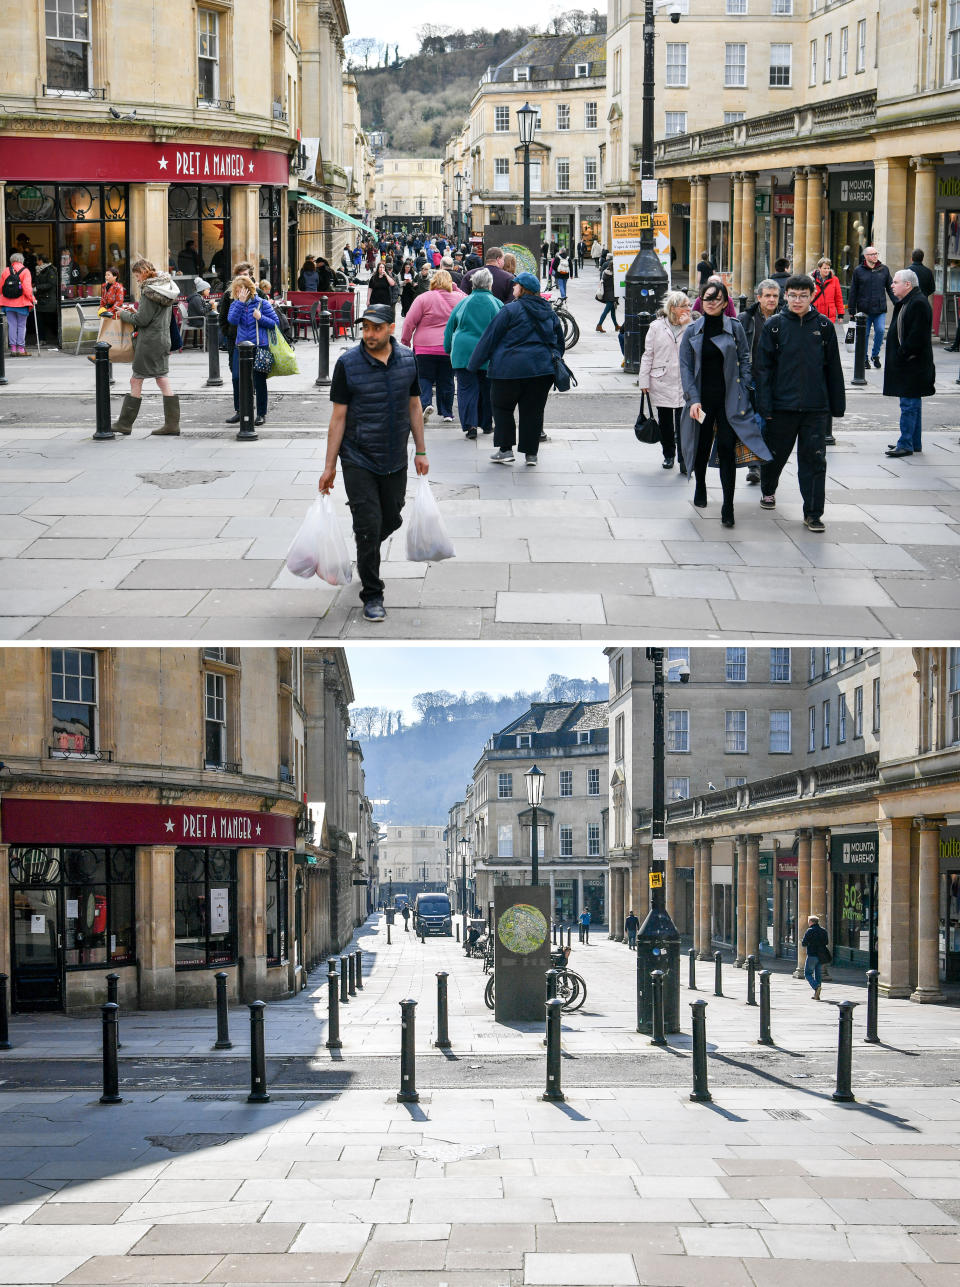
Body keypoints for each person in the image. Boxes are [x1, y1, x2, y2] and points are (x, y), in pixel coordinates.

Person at [318, 303, 429, 623]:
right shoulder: (347, 364)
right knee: (368, 526)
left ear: (391, 328)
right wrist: (330, 466)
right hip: (358, 457)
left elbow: (414, 405)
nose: (369, 334)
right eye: (365, 328)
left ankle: (366, 548)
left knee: (391, 518)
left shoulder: (408, 359)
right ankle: (372, 593)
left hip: (395, 456)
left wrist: (421, 450)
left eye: (376, 328)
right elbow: (338, 418)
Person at [755, 274, 846, 533]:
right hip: (781, 408)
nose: (797, 300)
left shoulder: (825, 327)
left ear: (812, 296)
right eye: (793, 295)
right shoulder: (774, 326)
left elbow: (833, 369)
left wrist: (836, 406)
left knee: (815, 462)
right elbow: (763, 370)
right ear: (786, 295)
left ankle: (813, 513)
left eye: (803, 296)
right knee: (774, 457)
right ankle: (768, 489)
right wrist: (765, 406)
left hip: (815, 408)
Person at [679, 280, 772, 528]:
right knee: (700, 447)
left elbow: (744, 357)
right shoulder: (692, 331)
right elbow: (686, 369)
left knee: (727, 449)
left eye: (718, 299)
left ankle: (728, 505)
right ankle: (700, 485)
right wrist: (693, 399)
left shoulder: (734, 327)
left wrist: (744, 386)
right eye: (708, 298)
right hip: (701, 401)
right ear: (701, 300)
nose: (712, 303)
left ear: (724, 303)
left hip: (730, 399)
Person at [467, 271, 564, 466]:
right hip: (541, 370)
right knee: (533, 411)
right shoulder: (549, 312)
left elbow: (490, 338)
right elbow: (559, 343)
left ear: (522, 289)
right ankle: (531, 454)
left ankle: (505, 450)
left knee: (502, 407)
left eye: (515, 285)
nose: (513, 288)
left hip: (507, 370)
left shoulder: (510, 310)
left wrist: (474, 364)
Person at [110, 257, 181, 436]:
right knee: (161, 378)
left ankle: (125, 424)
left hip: (149, 342)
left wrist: (125, 314)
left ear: (143, 273)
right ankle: (172, 425)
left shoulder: (149, 292)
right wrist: (137, 311)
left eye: (136, 276)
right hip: (162, 339)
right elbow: (153, 315)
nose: (137, 280)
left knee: (137, 379)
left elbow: (142, 320)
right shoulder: (164, 287)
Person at [444, 266, 502, 439]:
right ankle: (486, 423)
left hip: (463, 353)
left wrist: (448, 349)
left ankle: (470, 426)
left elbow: (449, 329)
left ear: (473, 284)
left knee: (466, 389)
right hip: (487, 355)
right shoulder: (496, 304)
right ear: (490, 285)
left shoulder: (463, 302)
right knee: (487, 389)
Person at [884, 268, 936, 458]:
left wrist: (903, 354)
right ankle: (913, 442)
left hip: (912, 365)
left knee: (909, 405)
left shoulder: (918, 303)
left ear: (907, 285)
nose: (892, 285)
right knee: (912, 403)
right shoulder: (910, 301)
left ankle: (905, 443)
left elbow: (917, 336)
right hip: (910, 364)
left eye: (895, 282)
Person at [638, 289, 692, 471]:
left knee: (684, 424)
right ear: (674, 308)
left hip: (684, 381)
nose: (689, 308)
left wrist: (688, 325)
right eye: (685, 306)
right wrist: (643, 381)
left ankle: (684, 459)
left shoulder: (692, 326)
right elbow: (648, 355)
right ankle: (669, 454)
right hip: (661, 380)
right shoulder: (656, 327)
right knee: (666, 423)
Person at [402, 268, 464, 423]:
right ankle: (447, 412)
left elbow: (409, 322)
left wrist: (405, 341)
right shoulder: (459, 298)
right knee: (447, 379)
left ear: (433, 282)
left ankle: (425, 406)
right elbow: (467, 298)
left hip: (424, 347)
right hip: (448, 347)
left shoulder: (424, 298)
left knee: (424, 378)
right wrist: (455, 287)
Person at [738, 279, 783, 485]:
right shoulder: (745, 319)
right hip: (753, 380)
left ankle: (766, 463)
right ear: (759, 297)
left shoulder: (785, 318)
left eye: (775, 296)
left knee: (771, 425)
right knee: (756, 422)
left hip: (777, 381)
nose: (772, 299)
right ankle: (755, 465)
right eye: (768, 296)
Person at [226, 274, 280, 427]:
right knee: (237, 378)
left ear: (249, 290)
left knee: (259, 380)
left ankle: (261, 413)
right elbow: (232, 321)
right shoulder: (236, 304)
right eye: (236, 291)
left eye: (241, 290)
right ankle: (239, 410)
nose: (238, 294)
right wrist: (240, 303)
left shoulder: (262, 304)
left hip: (259, 346)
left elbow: (275, 324)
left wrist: (260, 317)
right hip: (241, 347)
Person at [848, 245, 895, 369]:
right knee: (864, 334)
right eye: (872, 254)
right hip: (864, 310)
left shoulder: (884, 269)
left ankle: (875, 355)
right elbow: (853, 291)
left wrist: (898, 302)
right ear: (866, 256)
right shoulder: (858, 271)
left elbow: (890, 288)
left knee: (880, 331)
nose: (875, 256)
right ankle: (864, 358)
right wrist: (851, 310)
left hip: (880, 309)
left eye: (876, 253)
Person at [1, 252, 36, 357]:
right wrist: (32, 299)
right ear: (22, 260)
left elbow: (1, 287)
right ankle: (21, 349)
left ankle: (13, 349)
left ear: (11, 261)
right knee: (21, 326)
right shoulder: (25, 271)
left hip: (8, 302)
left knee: (12, 325)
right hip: (21, 303)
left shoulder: (6, 271)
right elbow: (27, 288)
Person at [800, 914, 829, 1000]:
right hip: (821, 955)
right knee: (818, 974)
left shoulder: (810, 931)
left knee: (807, 973)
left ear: (811, 922)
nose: (808, 923)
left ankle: (816, 987)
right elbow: (826, 942)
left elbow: (804, 943)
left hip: (812, 955)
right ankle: (817, 995)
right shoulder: (823, 931)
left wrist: (808, 942)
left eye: (809, 921)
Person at [33, 253, 59, 344]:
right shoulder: (40, 270)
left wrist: (37, 288)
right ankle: (42, 339)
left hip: (49, 299)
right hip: (41, 299)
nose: (36, 262)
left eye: (37, 260)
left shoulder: (50, 270)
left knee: (50, 321)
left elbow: (51, 284)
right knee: (40, 320)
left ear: (41, 261)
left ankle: (56, 338)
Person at [185, 276, 216, 346]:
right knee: (212, 323)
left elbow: (202, 310)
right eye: (208, 289)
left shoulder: (199, 297)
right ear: (202, 290)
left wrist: (209, 305)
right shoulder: (196, 299)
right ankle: (211, 345)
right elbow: (202, 312)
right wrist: (210, 305)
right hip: (196, 321)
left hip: (198, 319)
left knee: (214, 321)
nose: (209, 291)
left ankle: (212, 344)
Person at [596, 252, 619, 332]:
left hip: (609, 294)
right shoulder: (612, 275)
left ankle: (616, 326)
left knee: (613, 312)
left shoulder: (606, 272)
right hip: (611, 296)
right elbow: (614, 285)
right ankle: (599, 325)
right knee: (606, 312)